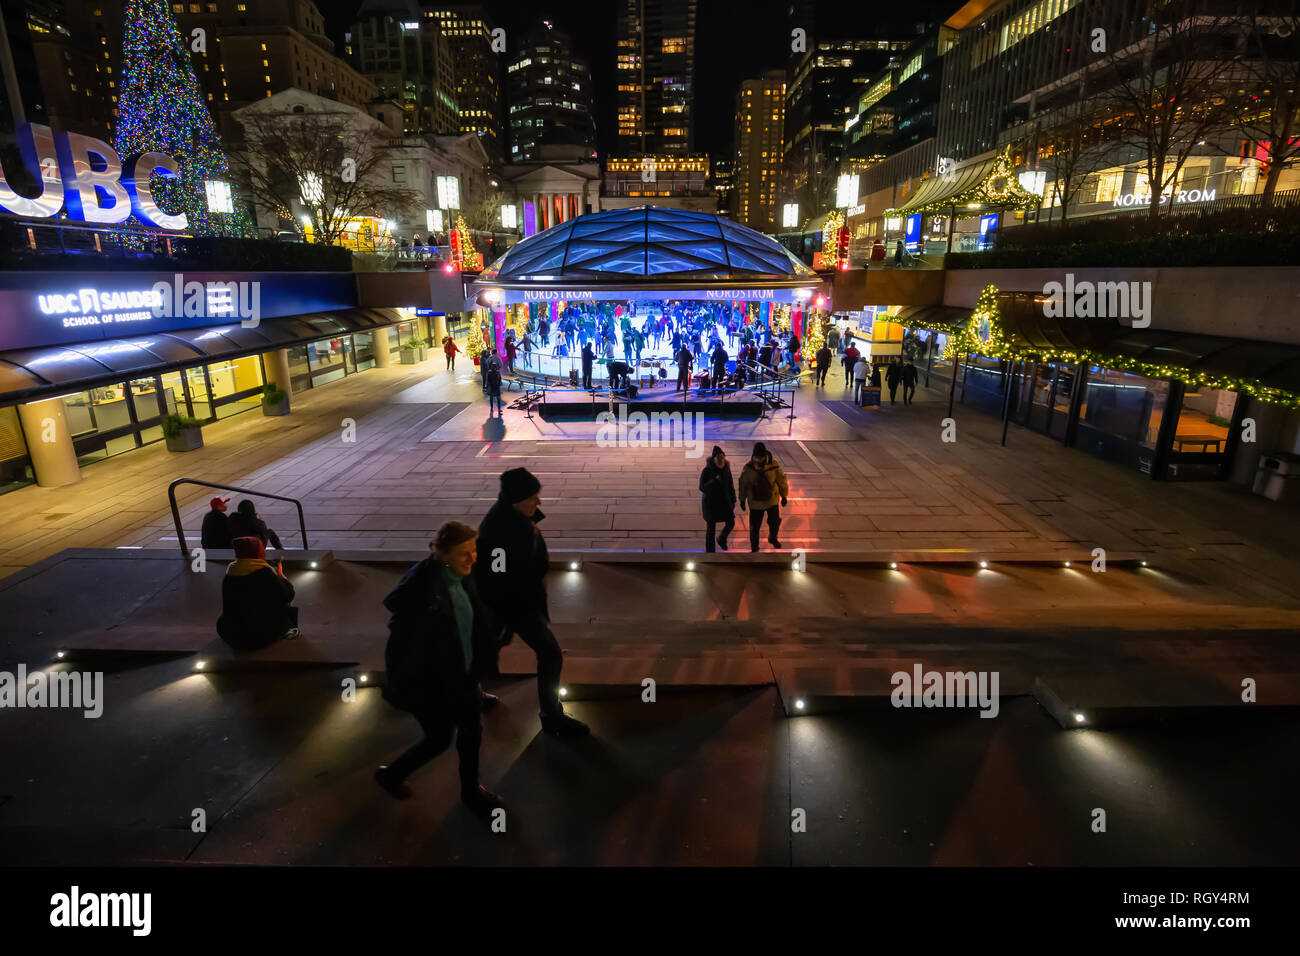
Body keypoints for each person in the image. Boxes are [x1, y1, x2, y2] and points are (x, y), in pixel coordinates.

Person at [374, 521, 505, 816]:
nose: (473, 558)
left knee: (469, 735)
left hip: (463, 679)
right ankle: (393, 775)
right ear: (443, 553)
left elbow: (474, 621)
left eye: (474, 551)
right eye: (464, 553)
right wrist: (414, 689)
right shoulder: (422, 591)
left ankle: (469, 792)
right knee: (440, 738)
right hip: (435, 686)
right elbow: (406, 649)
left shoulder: (461, 575)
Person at [473, 468, 588, 737]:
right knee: (549, 654)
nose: (538, 503)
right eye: (533, 498)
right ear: (516, 499)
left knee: (485, 649)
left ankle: (472, 693)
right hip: (512, 606)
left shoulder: (516, 515)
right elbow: (495, 576)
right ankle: (551, 717)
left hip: (517, 604)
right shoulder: (497, 532)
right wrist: (517, 607)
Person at [216, 536, 299, 649]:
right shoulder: (264, 573)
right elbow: (289, 594)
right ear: (256, 552)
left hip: (232, 636)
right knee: (284, 605)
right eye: (261, 549)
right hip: (260, 637)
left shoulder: (230, 573)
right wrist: (281, 576)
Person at [738, 442, 790, 553]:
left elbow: (781, 481)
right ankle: (754, 548)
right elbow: (743, 484)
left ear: (764, 456)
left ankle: (773, 537)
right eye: (755, 457)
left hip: (772, 499)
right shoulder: (748, 468)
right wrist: (742, 499)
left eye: (760, 457)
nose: (757, 460)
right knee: (754, 527)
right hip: (755, 501)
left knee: (775, 521)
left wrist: (784, 495)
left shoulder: (773, 464)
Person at [699, 445, 736, 553]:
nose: (721, 460)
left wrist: (733, 499)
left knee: (731, 523)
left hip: (724, 503)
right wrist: (713, 481)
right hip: (711, 505)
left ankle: (722, 538)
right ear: (714, 459)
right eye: (718, 458)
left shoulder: (726, 470)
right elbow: (702, 487)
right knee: (711, 530)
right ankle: (710, 553)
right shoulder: (707, 471)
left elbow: (730, 485)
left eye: (722, 457)